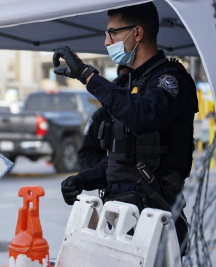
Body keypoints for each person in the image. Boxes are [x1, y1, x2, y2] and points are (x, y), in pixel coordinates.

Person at [53, 2, 197, 251]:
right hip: (119, 217)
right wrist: (83, 179)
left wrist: (88, 76)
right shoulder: (127, 84)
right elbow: (120, 159)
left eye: (113, 32)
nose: (107, 42)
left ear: (138, 33)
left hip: (157, 218)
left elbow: (145, 116)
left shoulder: (170, 80)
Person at [78, 65, 130, 170]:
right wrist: (111, 166)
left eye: (131, 79)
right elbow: (86, 155)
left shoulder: (149, 111)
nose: (127, 84)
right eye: (124, 79)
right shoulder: (102, 115)